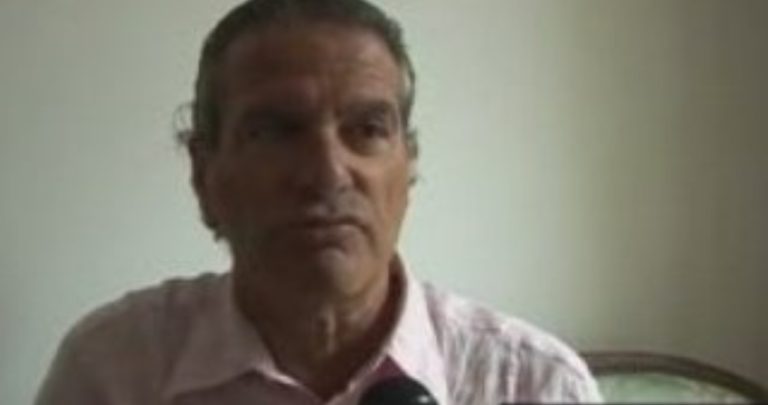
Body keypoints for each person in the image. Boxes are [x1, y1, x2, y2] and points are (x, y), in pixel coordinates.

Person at [35, 0, 602, 403]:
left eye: (368, 129)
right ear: (204, 177)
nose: (328, 174)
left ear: (409, 168)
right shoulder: (113, 372)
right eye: (276, 131)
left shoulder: (535, 385)